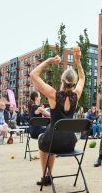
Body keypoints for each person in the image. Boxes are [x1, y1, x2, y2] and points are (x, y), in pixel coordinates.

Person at [30, 46, 85, 186]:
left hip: (53, 141)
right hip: (70, 143)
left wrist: (48, 61)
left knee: (44, 141)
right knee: (50, 140)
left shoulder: (53, 95)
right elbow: (82, 78)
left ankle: (46, 176)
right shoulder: (76, 95)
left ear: (62, 80)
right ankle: (48, 175)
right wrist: (78, 61)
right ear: (73, 82)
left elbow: (33, 75)